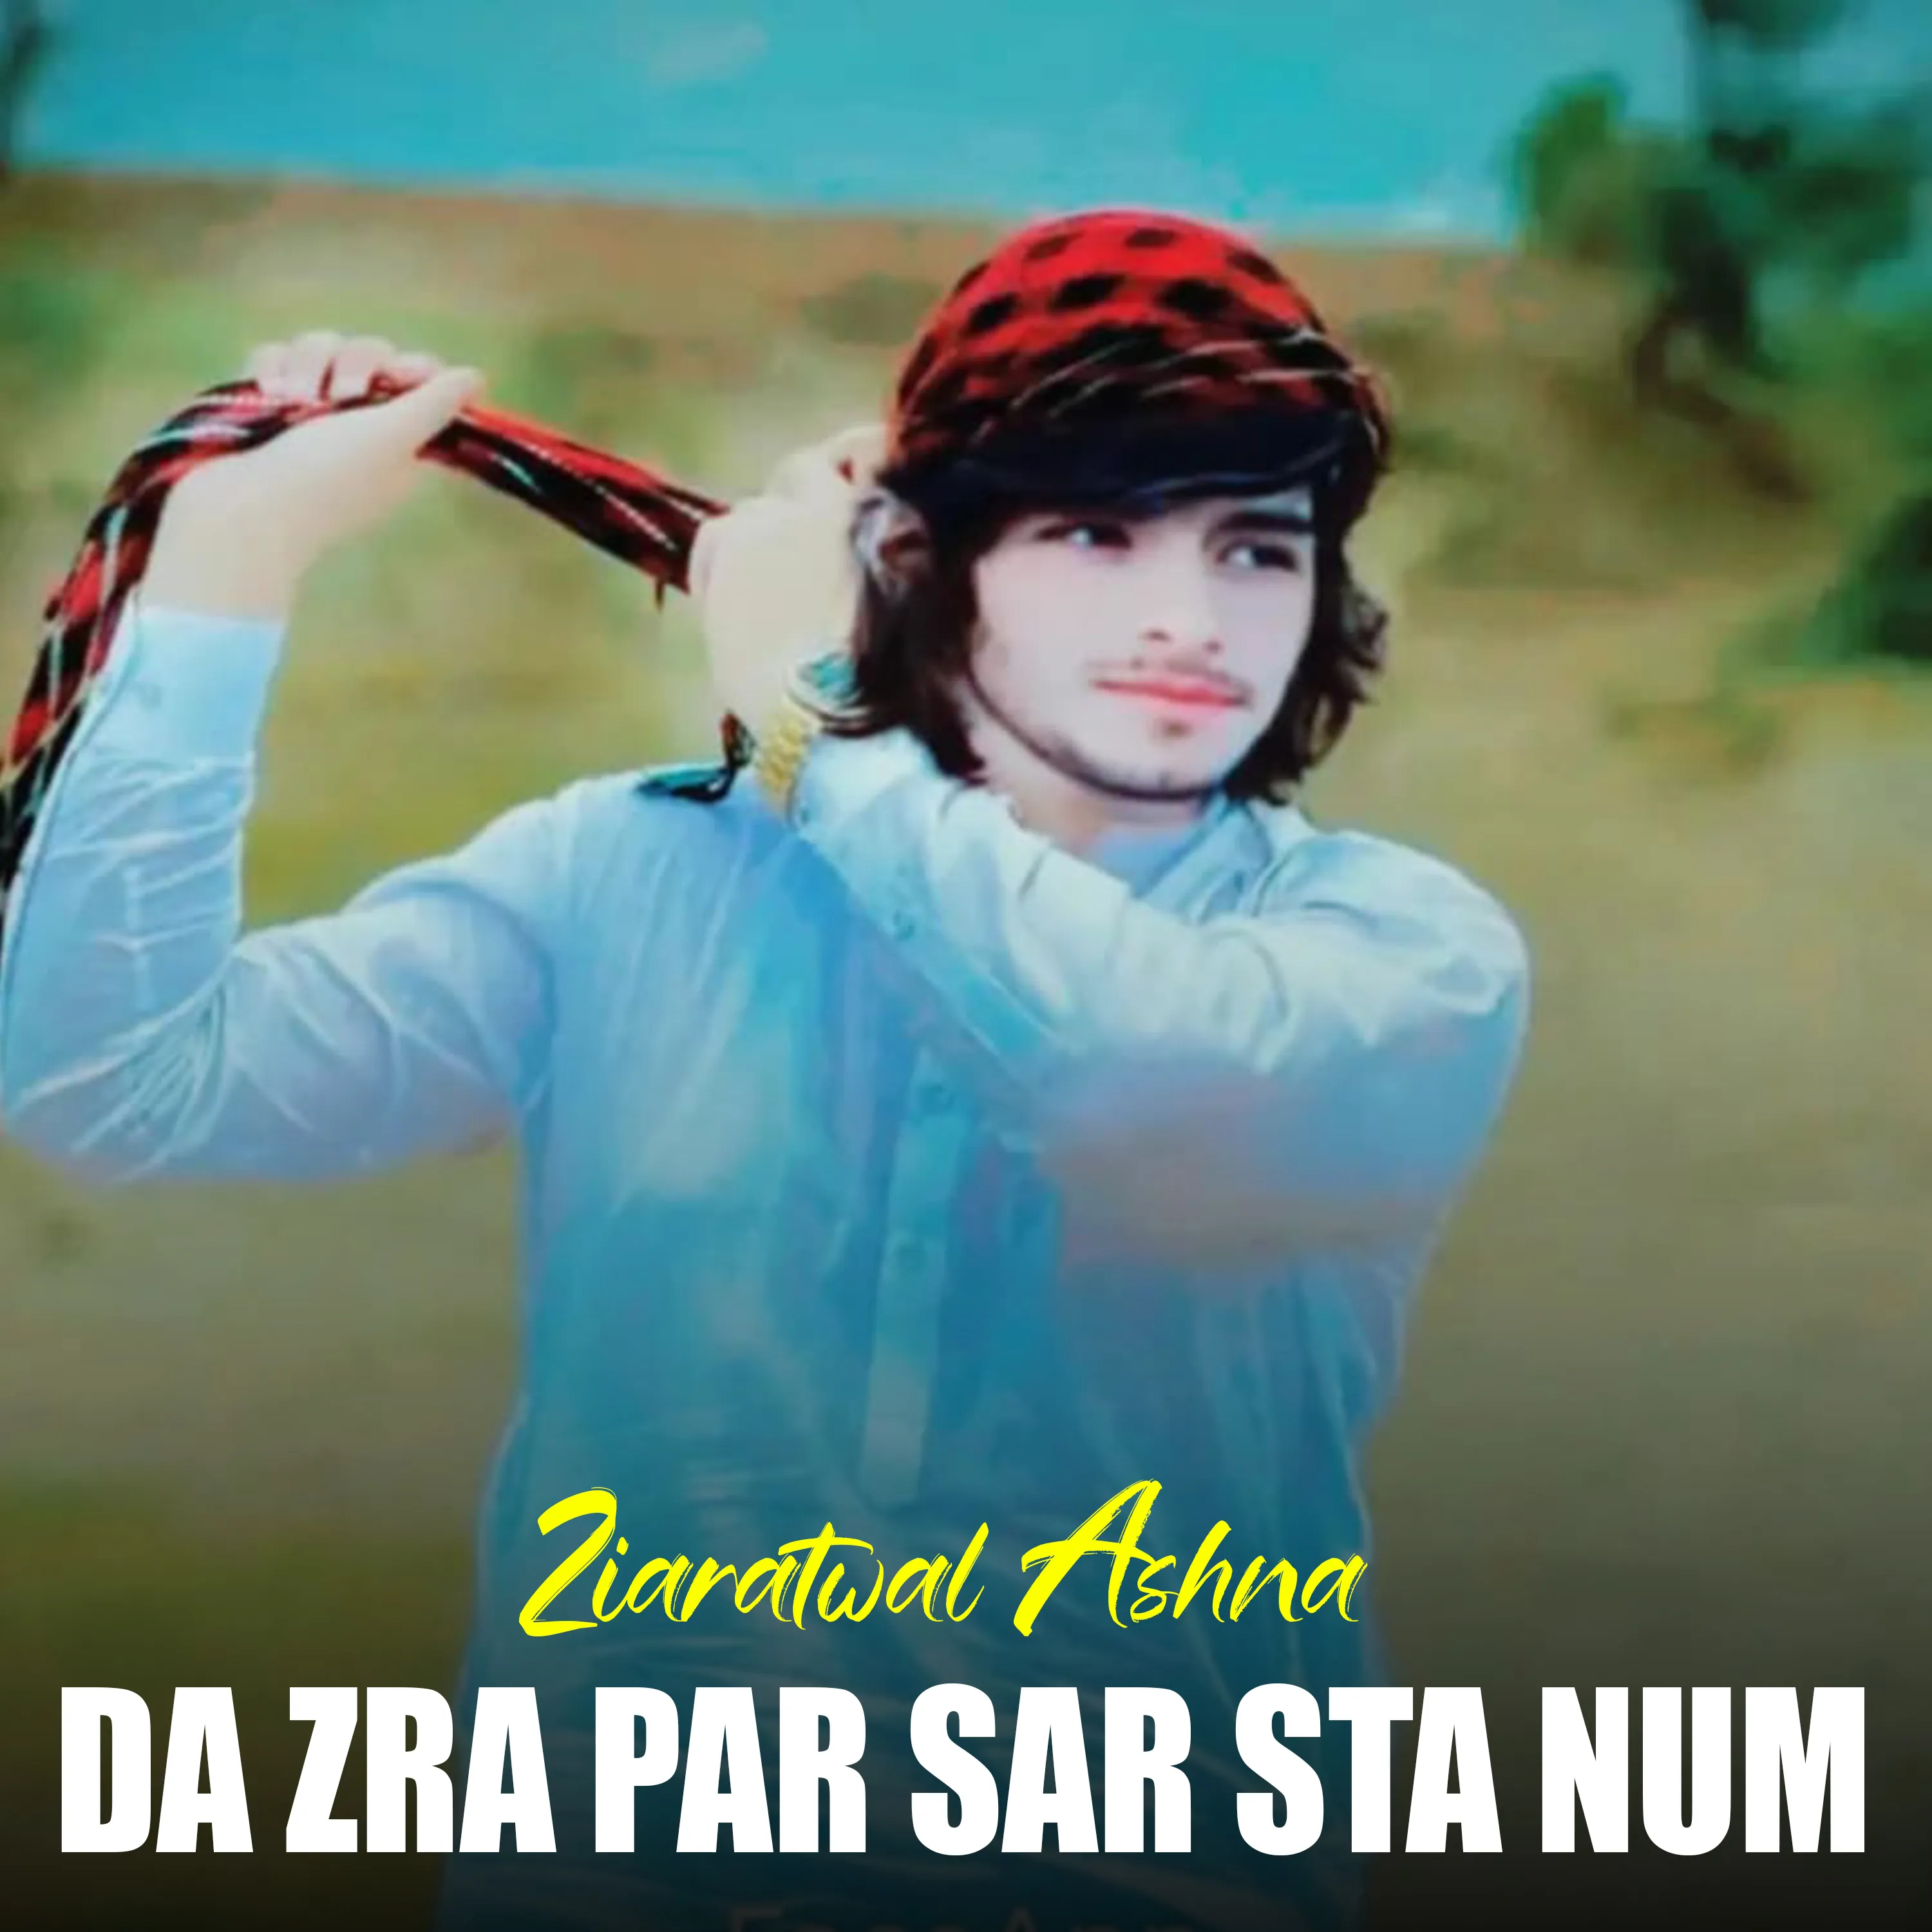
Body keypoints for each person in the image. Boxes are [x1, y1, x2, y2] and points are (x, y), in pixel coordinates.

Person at [0, 208, 1529, 1931]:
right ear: (922, 556)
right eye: (1095, 532)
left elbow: (1118, 1069)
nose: (1190, 617)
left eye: (1257, 548)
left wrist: (818, 722)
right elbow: (118, 1082)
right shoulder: (623, 873)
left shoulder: (1402, 954)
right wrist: (224, 570)